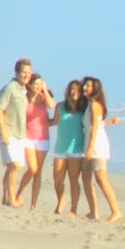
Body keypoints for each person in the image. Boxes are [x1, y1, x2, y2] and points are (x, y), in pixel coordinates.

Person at [81, 76, 123, 224]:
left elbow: (95, 129)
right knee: (85, 178)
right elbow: (97, 125)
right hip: (89, 145)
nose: (85, 87)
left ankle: (116, 211)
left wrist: (90, 148)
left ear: (95, 89)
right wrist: (110, 122)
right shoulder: (89, 104)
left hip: (97, 147)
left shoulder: (94, 105)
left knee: (101, 179)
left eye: (88, 86)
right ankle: (93, 212)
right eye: (85, 85)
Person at [15, 73, 56, 209]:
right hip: (27, 137)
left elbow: (51, 105)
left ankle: (33, 204)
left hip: (42, 138)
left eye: (40, 83)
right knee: (32, 168)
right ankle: (19, 194)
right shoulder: (24, 98)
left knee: (38, 172)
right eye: (36, 84)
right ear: (30, 85)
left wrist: (44, 89)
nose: (38, 86)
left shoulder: (44, 97)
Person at [0, 58, 32, 207]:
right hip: (8, 132)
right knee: (15, 165)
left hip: (20, 134)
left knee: (12, 166)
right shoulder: (10, 88)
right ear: (16, 73)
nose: (27, 75)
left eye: (29, 72)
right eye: (24, 72)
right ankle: (11, 199)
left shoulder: (24, 90)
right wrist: (3, 131)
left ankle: (5, 198)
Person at [49, 80, 87, 216]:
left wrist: (109, 122)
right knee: (57, 179)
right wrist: (38, 122)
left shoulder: (84, 108)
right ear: (68, 90)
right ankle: (61, 200)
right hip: (60, 147)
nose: (75, 91)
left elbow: (92, 125)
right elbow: (54, 121)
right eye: (72, 88)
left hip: (76, 149)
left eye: (78, 89)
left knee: (73, 180)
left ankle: (73, 209)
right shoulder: (60, 106)